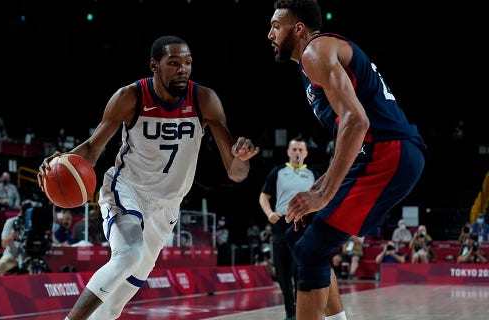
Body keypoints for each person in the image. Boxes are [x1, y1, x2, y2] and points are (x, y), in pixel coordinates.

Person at [37, 35, 259, 320]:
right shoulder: (130, 97)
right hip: (127, 189)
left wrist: (241, 159)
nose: (183, 69)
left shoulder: (204, 100)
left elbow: (236, 174)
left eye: (188, 63)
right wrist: (62, 161)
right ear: (154, 65)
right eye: (174, 63)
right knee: (128, 254)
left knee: (114, 306)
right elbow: (93, 148)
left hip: (167, 207)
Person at [267, 1, 427, 319]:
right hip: (381, 151)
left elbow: (357, 121)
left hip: (389, 151)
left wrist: (322, 194)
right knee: (299, 234)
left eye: (276, 25)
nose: (270, 33)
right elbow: (348, 137)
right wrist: (318, 189)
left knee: (311, 249)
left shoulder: (315, 52)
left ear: (298, 28)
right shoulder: (311, 64)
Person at [259, 137, 317, 320]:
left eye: (301, 149)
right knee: (282, 271)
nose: (297, 152)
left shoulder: (314, 174)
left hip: (305, 225)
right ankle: (290, 312)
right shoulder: (278, 172)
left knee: (299, 270)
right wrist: (269, 214)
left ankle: (301, 311)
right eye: (294, 149)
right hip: (281, 224)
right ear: (288, 152)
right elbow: (263, 196)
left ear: (306, 153)